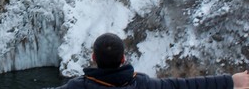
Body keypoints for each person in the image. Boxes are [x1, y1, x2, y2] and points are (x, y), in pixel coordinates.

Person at [54, 33, 249, 89]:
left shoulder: (78, 86)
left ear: (93, 58)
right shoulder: (142, 83)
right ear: (123, 58)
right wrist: (232, 81)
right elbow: (187, 85)